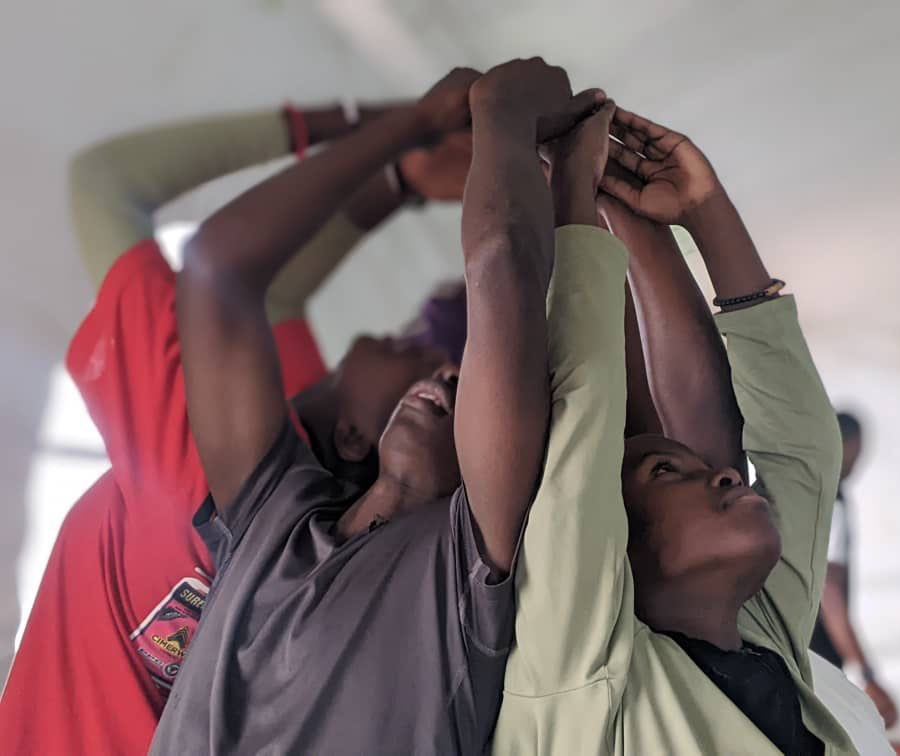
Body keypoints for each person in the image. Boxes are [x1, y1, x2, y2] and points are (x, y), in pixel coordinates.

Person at [148, 60, 605, 754]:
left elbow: (503, 266)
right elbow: (215, 268)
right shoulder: (278, 519)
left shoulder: (468, 566)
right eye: (438, 366)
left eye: (468, 382)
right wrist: (413, 126)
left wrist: (503, 117)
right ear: (357, 438)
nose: (450, 371)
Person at [0, 91, 470, 754]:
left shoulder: (195, 449)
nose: (432, 356)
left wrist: (391, 126)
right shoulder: (302, 507)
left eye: (440, 381)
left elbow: (109, 186)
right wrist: (397, 182)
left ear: (362, 439)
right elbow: (272, 302)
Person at [491, 107, 893, 754]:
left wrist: (696, 212)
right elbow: (585, 426)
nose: (728, 471)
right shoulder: (579, 669)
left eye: (673, 469)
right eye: (667, 471)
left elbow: (797, 447)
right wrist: (574, 197)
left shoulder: (754, 632)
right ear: (611, 545)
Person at [811, 411, 900, 729]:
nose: (859, 461)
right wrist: (867, 675)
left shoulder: (809, 491)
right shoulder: (832, 500)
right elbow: (830, 594)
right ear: (842, 444)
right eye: (857, 450)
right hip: (817, 658)